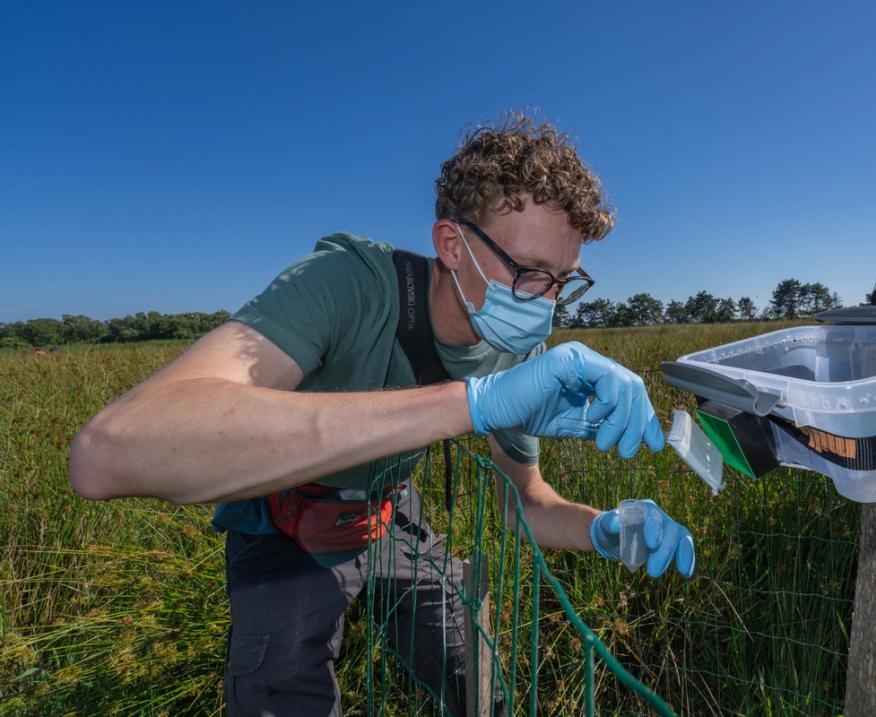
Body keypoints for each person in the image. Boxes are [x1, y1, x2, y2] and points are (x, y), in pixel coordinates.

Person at [68, 113, 695, 716]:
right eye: (527, 272)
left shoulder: (515, 348)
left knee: (478, 680)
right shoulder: (346, 284)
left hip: (390, 513)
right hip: (283, 521)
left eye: (562, 280)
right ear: (452, 244)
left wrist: (603, 531)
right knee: (281, 689)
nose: (545, 302)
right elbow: (109, 453)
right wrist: (467, 404)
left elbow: (523, 501)